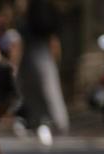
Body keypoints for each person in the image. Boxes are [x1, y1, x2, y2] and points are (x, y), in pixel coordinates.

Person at [19, 0, 68, 146]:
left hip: (40, 47)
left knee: (48, 86)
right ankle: (39, 121)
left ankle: (58, 123)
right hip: (33, 48)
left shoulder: (42, 6)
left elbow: (49, 29)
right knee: (33, 87)